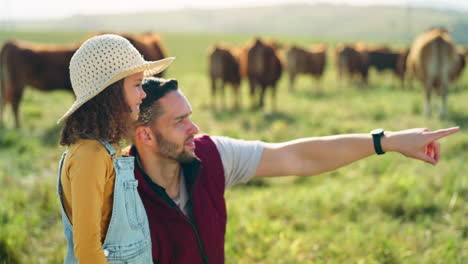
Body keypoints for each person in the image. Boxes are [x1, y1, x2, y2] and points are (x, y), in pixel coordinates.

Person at [129, 77, 459, 264]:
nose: (194, 128)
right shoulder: (115, 193)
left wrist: (387, 142)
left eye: (190, 116)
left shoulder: (210, 156)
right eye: (180, 121)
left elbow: (297, 157)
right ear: (144, 135)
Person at [56, 34, 174, 263]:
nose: (144, 94)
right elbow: (88, 249)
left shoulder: (109, 149)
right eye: (137, 85)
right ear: (111, 94)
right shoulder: (90, 156)